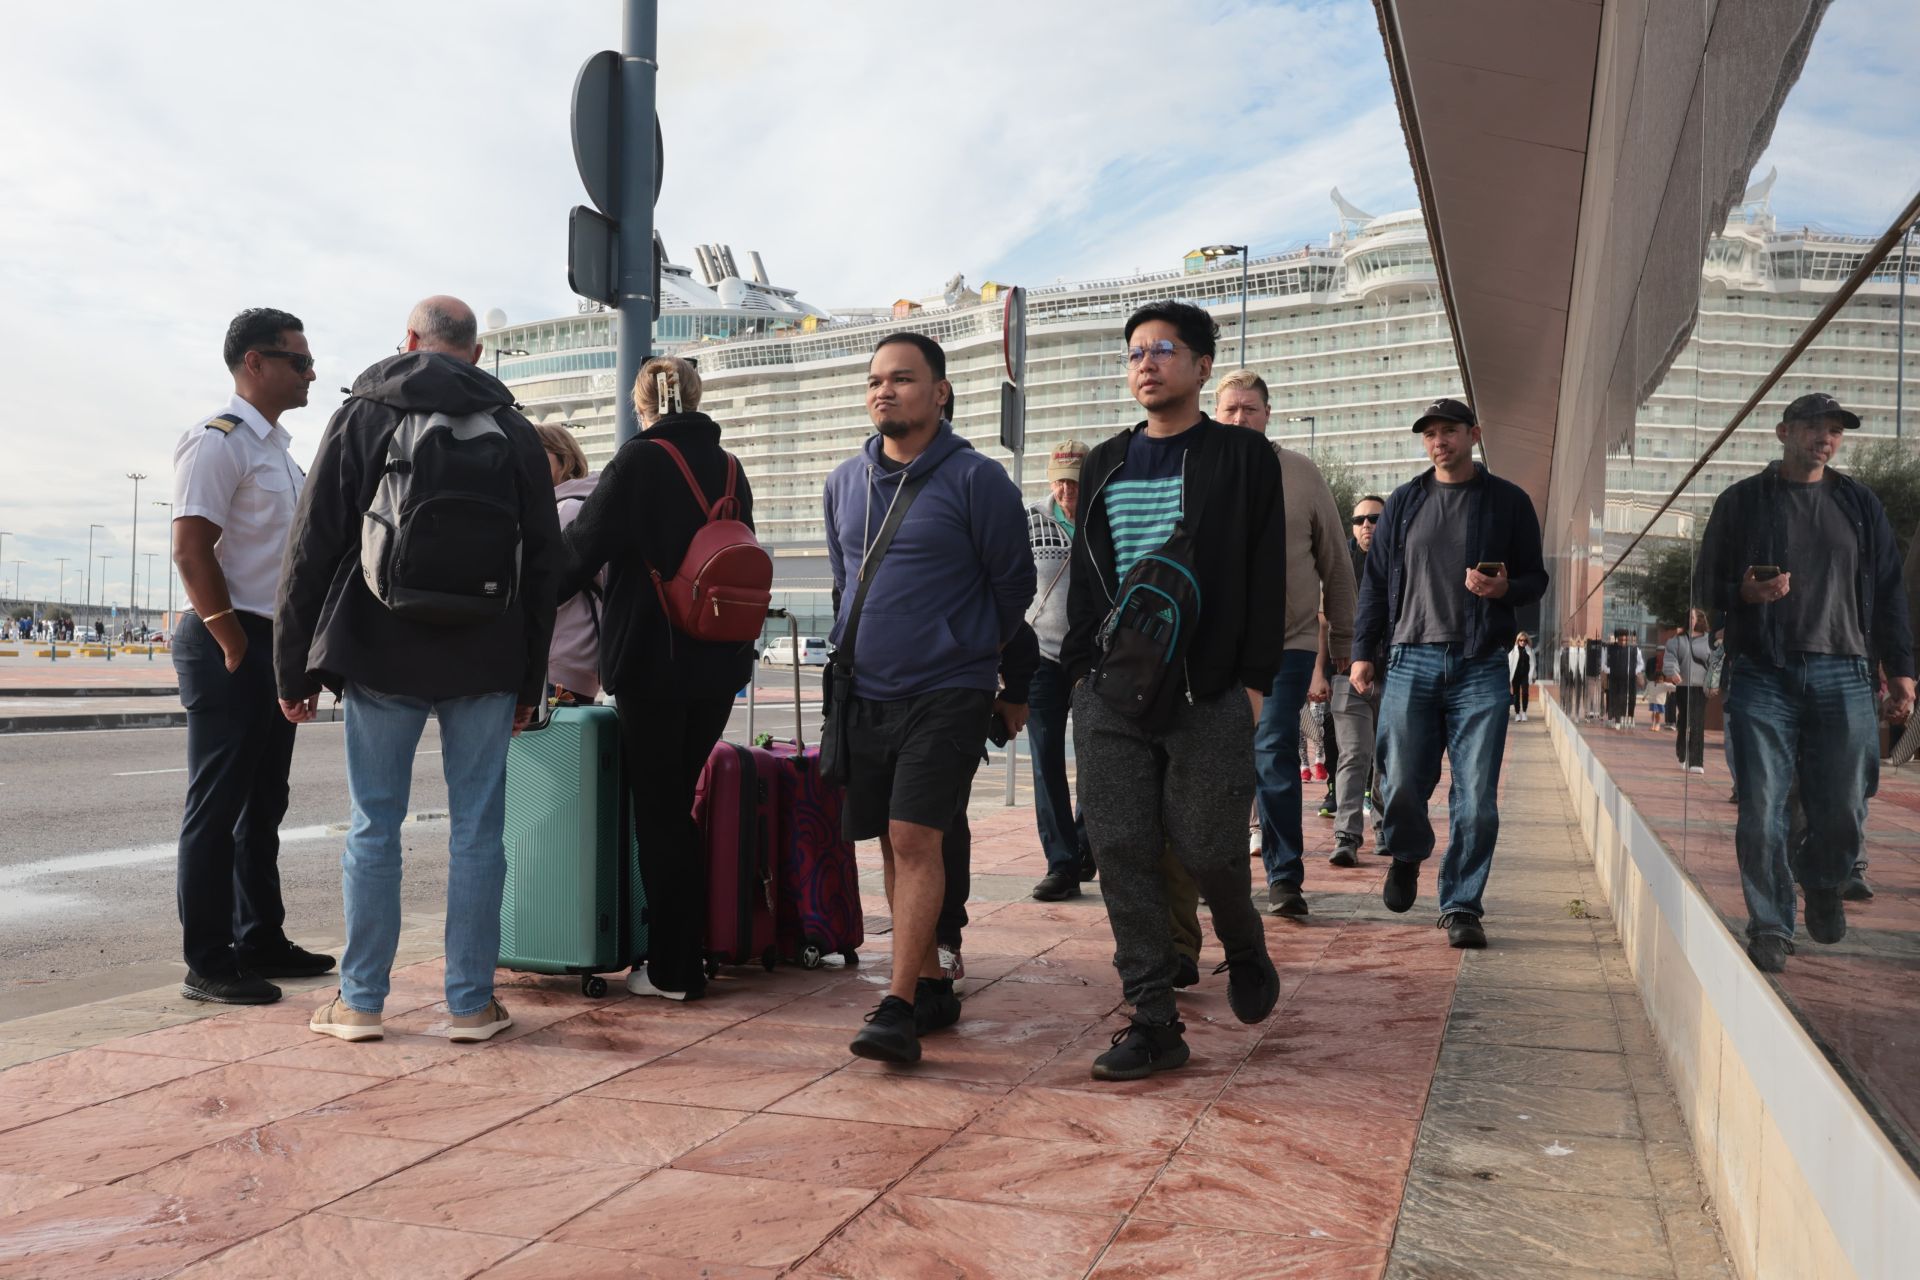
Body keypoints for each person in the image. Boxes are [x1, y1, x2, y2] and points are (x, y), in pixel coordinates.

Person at [276, 295, 562, 1042]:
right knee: (479, 832)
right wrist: (531, 680)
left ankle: (361, 1001)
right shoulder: (514, 429)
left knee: (375, 825)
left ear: (409, 340)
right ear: (474, 351)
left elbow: (314, 544)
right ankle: (470, 1003)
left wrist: (292, 668)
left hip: (380, 648)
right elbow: (543, 566)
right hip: (489, 653)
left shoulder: (366, 413)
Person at [1062, 301, 1285, 1080]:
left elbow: (1265, 574)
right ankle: (1153, 1018)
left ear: (1200, 367)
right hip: (1113, 690)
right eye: (1134, 354)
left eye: (1163, 350)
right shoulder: (1106, 462)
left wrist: (1256, 683)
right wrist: (1085, 669)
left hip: (1208, 686)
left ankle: (1243, 940)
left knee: (1207, 847)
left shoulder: (1242, 457)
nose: (1146, 363)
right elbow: (1090, 576)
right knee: (1119, 847)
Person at [822, 332, 1034, 1064]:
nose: (884, 391)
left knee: (915, 838)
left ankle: (898, 1003)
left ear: (939, 392)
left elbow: (1015, 588)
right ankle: (933, 979)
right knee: (889, 837)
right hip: (864, 691)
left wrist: (966, 648)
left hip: (948, 687)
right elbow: (843, 582)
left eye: (903, 379)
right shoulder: (843, 483)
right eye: (875, 380)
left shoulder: (978, 480)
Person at [559, 356, 757, 1001]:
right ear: (696, 399)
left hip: (652, 660)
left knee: (662, 812)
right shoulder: (731, 467)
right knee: (679, 806)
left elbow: (576, 555)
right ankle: (687, 951)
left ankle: (674, 968)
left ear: (639, 404)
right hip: (720, 661)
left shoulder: (639, 463)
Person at [1695, 393, 1914, 974]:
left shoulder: (1860, 505)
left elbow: (1890, 593)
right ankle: (1770, 924)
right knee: (1762, 804)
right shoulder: (1741, 503)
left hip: (1846, 671)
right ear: (1783, 432)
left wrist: (1902, 671)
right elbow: (1704, 587)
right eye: (1816, 426)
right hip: (1764, 671)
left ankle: (1823, 878)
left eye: (1836, 430)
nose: (1827, 437)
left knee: (1845, 801)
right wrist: (1743, 594)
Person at [167, 307, 334, 1005]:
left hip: (271, 643)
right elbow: (190, 547)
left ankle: (259, 937)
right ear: (253, 363)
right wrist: (232, 639)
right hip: (226, 640)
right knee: (218, 804)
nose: (310, 371)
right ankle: (208, 960)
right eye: (298, 360)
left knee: (263, 803)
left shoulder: (280, 454)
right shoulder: (219, 443)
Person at [1350, 397, 1547, 949]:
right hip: (1409, 658)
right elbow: (1374, 583)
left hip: (1480, 662)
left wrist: (1504, 588)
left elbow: (1536, 579)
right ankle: (1408, 852)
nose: (1440, 441)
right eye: (1431, 434)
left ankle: (1462, 903)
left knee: (1477, 795)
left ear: (1473, 434)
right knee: (1401, 782)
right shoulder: (1404, 502)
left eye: (1450, 431)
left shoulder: (1507, 502)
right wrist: (1363, 649)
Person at [1213, 370, 1353, 918]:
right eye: (1230, 410)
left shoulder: (1301, 473)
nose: (1240, 418)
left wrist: (1342, 637)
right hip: (1215, 643)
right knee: (1219, 758)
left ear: (1267, 414)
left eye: (1249, 409)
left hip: (1288, 641)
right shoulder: (1200, 468)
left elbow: (1336, 562)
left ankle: (1284, 877)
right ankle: (1219, 870)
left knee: (1272, 752)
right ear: (1215, 413)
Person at [1027, 439, 1095, 902]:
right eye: (1061, 481)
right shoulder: (1029, 519)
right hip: (1039, 655)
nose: (1067, 491)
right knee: (1046, 756)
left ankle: (1086, 847)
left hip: (1093, 655)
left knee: (1097, 757)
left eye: (1075, 481)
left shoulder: (1103, 516)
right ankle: (1061, 862)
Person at [1330, 494, 1387, 861]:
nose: (1366, 525)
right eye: (1359, 519)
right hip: (1346, 676)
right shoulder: (1339, 565)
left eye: (1374, 519)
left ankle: (1385, 829)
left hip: (1395, 675)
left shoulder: (1402, 560)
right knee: (1353, 755)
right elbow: (1322, 617)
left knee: (1388, 757)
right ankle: (1347, 837)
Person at [535, 424, 602, 706]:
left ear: (564, 458)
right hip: (577, 660)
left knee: (540, 750)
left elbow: (542, 584)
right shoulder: (587, 505)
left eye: (539, 453)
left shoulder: (566, 510)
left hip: (558, 659)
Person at [1666, 609, 1712, 772]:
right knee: (1684, 721)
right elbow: (1670, 657)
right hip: (1683, 687)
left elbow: (1713, 662)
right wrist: (1673, 672)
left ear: (1699, 619)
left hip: (1700, 688)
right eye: (1689, 617)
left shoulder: (1708, 640)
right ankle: (1682, 753)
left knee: (1698, 722)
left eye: (1694, 617)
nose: (1691, 620)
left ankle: (1696, 762)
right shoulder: (1677, 640)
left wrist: (1714, 682)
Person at [1605, 628, 1643, 729]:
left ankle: (1626, 717)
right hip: (1615, 678)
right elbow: (1604, 663)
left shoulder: (1634, 649)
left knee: (1627, 699)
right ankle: (1616, 719)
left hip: (1629, 678)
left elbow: (1640, 664)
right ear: (1617, 639)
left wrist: (1634, 671)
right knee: (1615, 698)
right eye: (1621, 640)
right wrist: (1610, 671)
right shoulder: (1611, 648)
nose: (1623, 642)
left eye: (1625, 640)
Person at [1509, 632, 1533, 722]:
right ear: (1518, 641)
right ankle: (1517, 713)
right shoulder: (1513, 651)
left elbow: (1533, 664)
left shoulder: (1529, 651)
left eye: (1525, 640)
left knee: (1525, 693)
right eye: (1521, 640)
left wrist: (1532, 676)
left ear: (1527, 641)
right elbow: (1510, 664)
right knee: (1516, 694)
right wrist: (1509, 677)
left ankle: (1524, 713)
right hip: (1516, 676)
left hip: (1525, 676)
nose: (1523, 642)